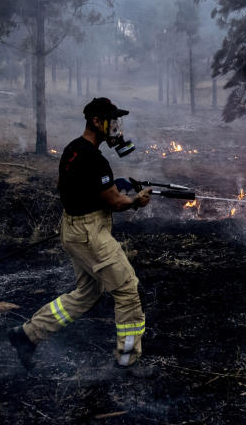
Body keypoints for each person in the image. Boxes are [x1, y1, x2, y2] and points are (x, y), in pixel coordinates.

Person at [8, 97, 151, 370]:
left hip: (73, 228)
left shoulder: (73, 149)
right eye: (112, 121)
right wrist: (136, 200)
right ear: (97, 122)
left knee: (87, 292)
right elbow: (114, 201)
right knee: (127, 289)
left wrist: (100, 193)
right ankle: (128, 361)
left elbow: (64, 184)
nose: (117, 127)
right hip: (90, 234)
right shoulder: (94, 159)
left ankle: (27, 335)